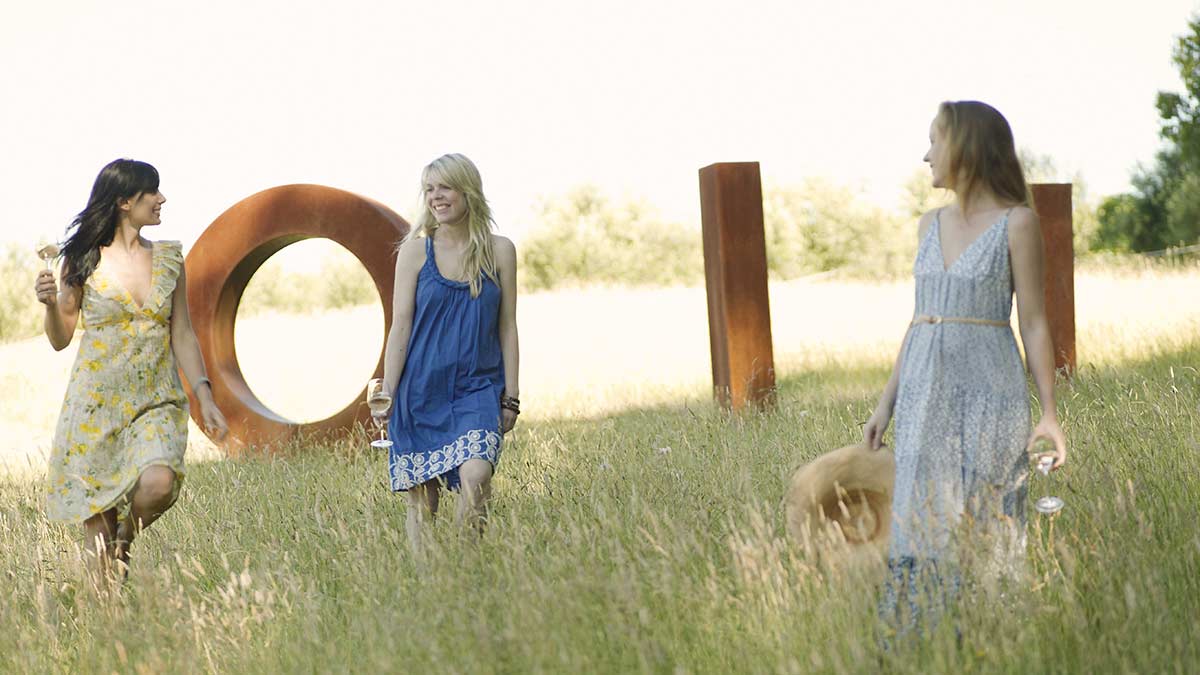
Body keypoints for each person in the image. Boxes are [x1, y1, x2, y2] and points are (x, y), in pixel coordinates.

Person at [862, 101, 1068, 632]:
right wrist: (886, 403)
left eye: (935, 139)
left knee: (987, 514)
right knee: (921, 518)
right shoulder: (927, 224)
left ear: (967, 148)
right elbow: (919, 319)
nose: (926, 153)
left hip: (989, 391)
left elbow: (1037, 323)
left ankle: (988, 636)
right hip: (924, 394)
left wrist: (1049, 414)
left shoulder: (1017, 223)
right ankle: (918, 640)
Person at [34, 159, 227, 577]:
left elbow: (184, 334)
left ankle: (124, 543)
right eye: (151, 192)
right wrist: (51, 306)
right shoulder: (82, 260)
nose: (161, 199)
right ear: (124, 202)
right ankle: (107, 631)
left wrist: (205, 394)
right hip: (94, 409)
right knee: (96, 529)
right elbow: (59, 337)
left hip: (155, 402)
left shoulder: (170, 259)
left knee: (159, 481)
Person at [382, 153, 519, 550]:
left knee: (477, 475)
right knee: (424, 500)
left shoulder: (500, 251)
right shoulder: (414, 251)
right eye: (428, 189)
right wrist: (388, 391)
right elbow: (401, 326)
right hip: (420, 390)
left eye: (443, 187)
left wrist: (511, 395)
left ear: (467, 190)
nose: (435, 197)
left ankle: (464, 567)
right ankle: (429, 586)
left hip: (477, 388)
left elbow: (507, 326)